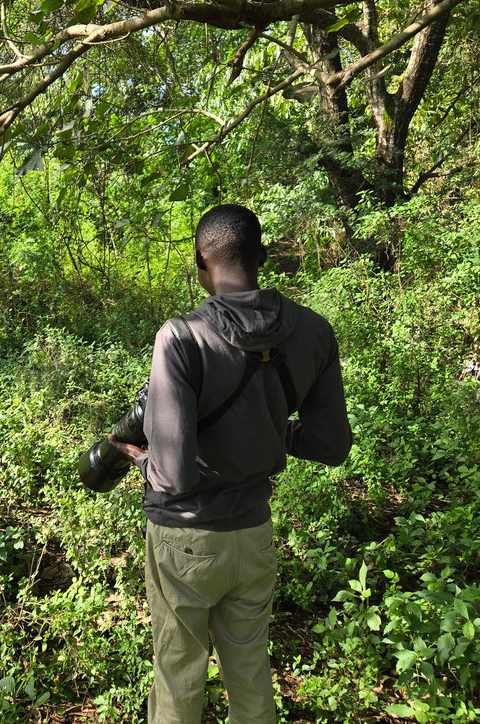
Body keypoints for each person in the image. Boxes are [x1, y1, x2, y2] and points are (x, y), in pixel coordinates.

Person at [109, 204, 352, 724]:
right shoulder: (313, 332)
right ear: (261, 257)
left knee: (178, 677)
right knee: (250, 673)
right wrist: (267, 430)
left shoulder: (181, 337)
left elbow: (172, 476)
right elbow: (331, 445)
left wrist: (136, 458)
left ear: (202, 261)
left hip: (186, 539)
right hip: (254, 535)